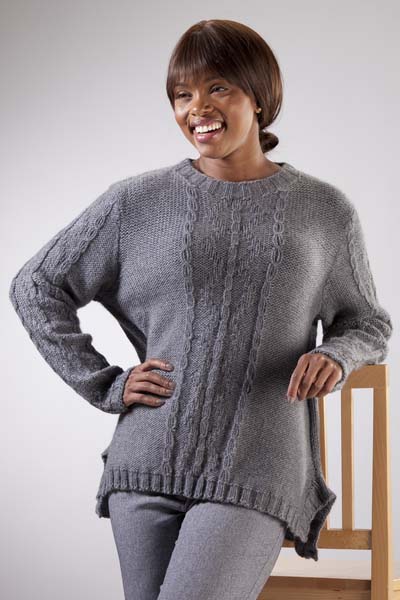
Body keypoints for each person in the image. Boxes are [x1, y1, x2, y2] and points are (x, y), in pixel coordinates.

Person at [9, 18, 393, 600]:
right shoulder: (135, 202)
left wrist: (337, 354)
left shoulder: (324, 211)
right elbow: (35, 285)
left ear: (258, 98)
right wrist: (105, 383)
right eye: (182, 94)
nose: (197, 108)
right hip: (147, 458)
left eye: (217, 88)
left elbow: (368, 322)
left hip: (257, 467)